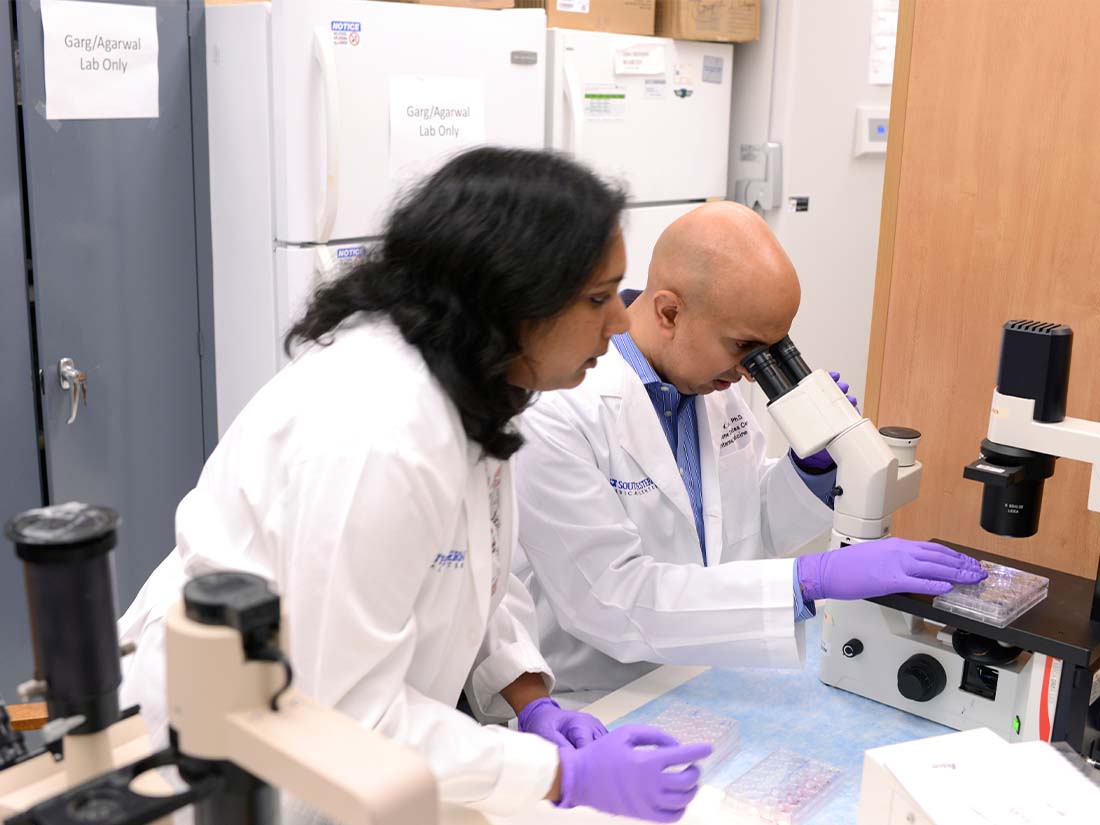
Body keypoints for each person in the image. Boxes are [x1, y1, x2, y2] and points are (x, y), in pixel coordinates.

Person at [116, 148, 711, 823]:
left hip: (328, 747)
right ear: (517, 296)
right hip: (223, 761)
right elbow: (348, 718)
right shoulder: (381, 431)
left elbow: (472, 566)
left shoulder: (470, 378)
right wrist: (560, 774)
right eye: (599, 298)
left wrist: (528, 697)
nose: (622, 322)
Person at [513, 201, 986, 705]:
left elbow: (742, 524)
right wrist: (810, 581)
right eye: (744, 347)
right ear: (670, 312)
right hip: (599, 696)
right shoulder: (555, 410)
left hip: (707, 677)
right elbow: (614, 601)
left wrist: (809, 473)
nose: (750, 370)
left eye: (772, 349)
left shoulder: (708, 378)